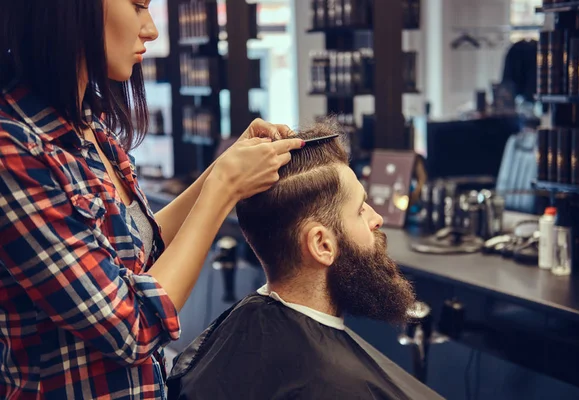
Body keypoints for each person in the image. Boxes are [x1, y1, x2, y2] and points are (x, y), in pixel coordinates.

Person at [0, 1, 303, 399]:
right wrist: (223, 188)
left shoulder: (89, 128)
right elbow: (130, 326)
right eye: (138, 6)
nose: (151, 30)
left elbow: (137, 248)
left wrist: (222, 168)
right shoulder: (14, 153)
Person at [167, 123, 443, 400]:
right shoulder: (337, 386)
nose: (377, 219)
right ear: (322, 245)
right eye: (360, 210)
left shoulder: (226, 343)